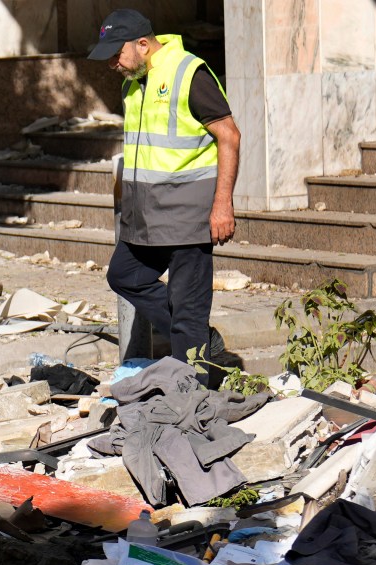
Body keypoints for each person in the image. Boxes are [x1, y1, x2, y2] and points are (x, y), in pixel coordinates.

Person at [88, 9, 240, 372]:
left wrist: (223, 206)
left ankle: (193, 400)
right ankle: (201, 340)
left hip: (188, 217)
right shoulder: (133, 78)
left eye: (117, 53)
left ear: (143, 44)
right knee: (123, 276)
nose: (113, 63)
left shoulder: (190, 72)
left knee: (187, 316)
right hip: (146, 218)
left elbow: (229, 135)